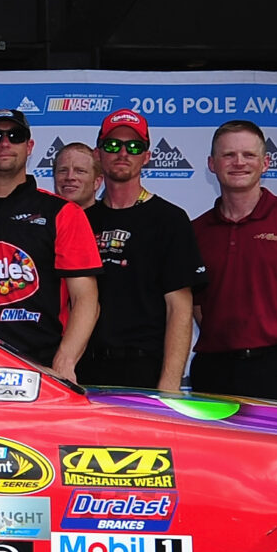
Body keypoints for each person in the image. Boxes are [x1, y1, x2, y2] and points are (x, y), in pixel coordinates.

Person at [0, 109, 99, 380]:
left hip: (41, 369)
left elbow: (86, 299)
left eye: (15, 136)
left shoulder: (62, 213)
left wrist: (64, 362)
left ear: (29, 147)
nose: (4, 143)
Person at [189, 120, 277, 401]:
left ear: (266, 163)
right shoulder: (197, 230)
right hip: (215, 371)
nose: (238, 162)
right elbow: (196, 303)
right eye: (228, 155)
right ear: (211, 164)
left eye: (249, 155)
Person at [73, 113, 201, 392]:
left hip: (144, 370)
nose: (122, 153)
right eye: (112, 145)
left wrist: (169, 382)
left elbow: (179, 307)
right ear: (98, 154)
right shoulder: (81, 221)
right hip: (85, 369)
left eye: (134, 147)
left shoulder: (170, 219)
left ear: (147, 156)